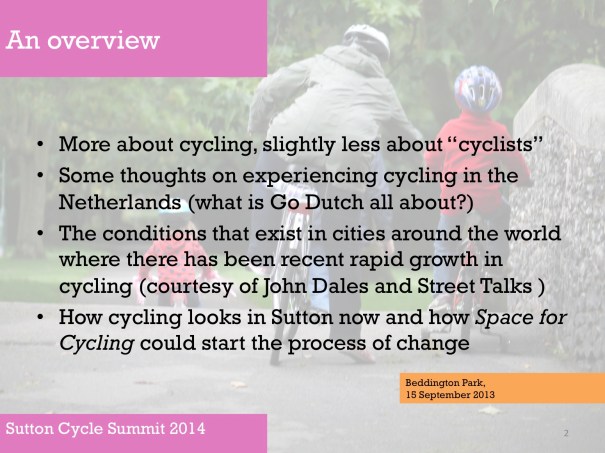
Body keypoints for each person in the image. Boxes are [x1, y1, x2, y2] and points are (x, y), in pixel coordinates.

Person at [248, 24, 422, 363]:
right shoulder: (383, 89)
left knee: (267, 172)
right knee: (344, 245)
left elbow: (268, 87)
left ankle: (261, 253)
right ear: (380, 58)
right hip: (345, 163)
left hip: (289, 139)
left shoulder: (322, 61)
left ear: (347, 45)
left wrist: (257, 127)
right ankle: (347, 338)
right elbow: (409, 138)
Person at [425, 65, 531, 312]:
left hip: (453, 200)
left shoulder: (450, 129)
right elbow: (516, 163)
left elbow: (430, 159)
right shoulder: (498, 132)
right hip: (487, 200)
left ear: (459, 99)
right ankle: (496, 265)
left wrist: (435, 175)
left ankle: (442, 296)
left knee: (445, 243)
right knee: (502, 213)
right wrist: (523, 179)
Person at [134, 201, 226, 307]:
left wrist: (142, 275)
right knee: (197, 309)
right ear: (186, 223)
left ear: (163, 223)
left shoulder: (157, 244)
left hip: (165, 290)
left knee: (162, 312)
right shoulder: (191, 242)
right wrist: (208, 273)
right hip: (189, 288)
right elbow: (203, 260)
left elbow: (146, 262)